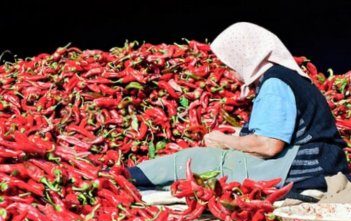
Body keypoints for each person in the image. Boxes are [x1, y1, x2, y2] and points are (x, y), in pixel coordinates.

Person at [128, 22, 349, 197]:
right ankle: (140, 179)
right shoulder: (285, 77)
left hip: (308, 170)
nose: (230, 71)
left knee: (198, 160)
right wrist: (237, 137)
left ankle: (128, 177)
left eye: (231, 63)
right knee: (211, 167)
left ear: (245, 56)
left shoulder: (275, 84)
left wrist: (225, 141)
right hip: (319, 164)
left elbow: (269, 145)